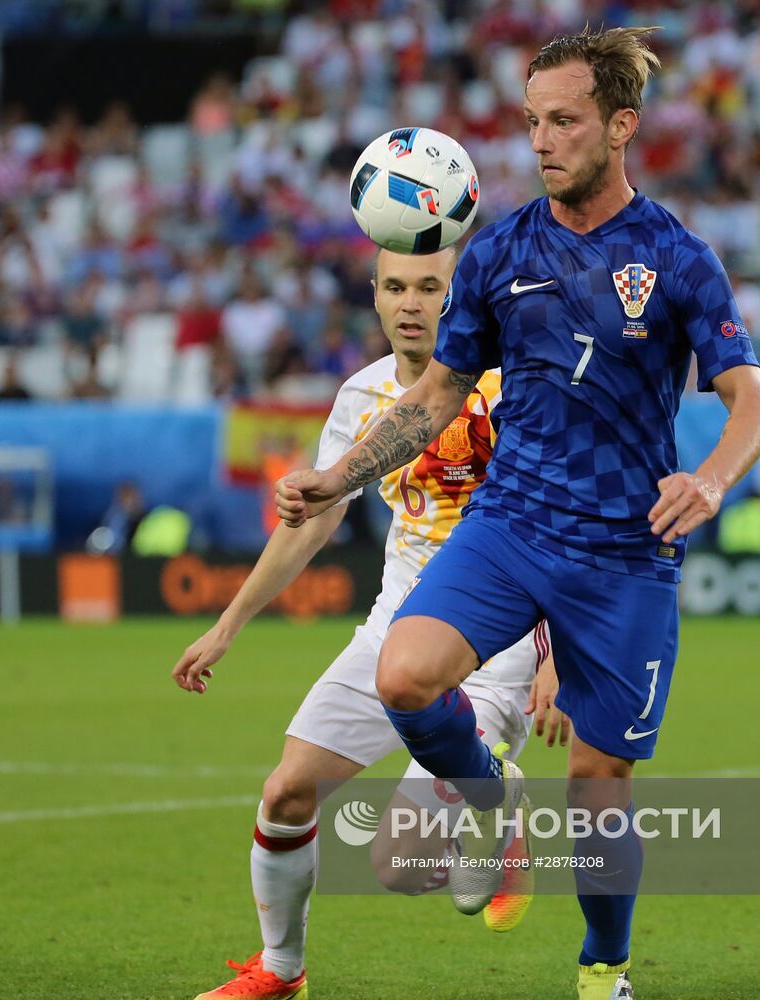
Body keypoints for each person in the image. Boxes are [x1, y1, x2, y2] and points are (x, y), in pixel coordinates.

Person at [275, 27, 760, 1000]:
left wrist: (710, 478)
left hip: (622, 554)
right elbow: (430, 400)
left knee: (596, 788)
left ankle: (602, 967)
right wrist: (338, 476)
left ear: (619, 125)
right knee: (405, 676)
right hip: (507, 527)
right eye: (530, 121)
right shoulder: (500, 248)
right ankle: (487, 795)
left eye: (563, 120)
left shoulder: (674, 257)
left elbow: (752, 398)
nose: (540, 140)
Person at [174, 246, 567, 1000]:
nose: (411, 302)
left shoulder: (505, 384)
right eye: (395, 287)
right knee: (286, 792)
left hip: (498, 637)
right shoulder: (362, 395)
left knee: (402, 865)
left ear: (459, 297)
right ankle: (281, 971)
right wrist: (227, 625)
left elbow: (555, 522)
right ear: (375, 297)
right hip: (398, 622)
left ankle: (498, 795)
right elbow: (309, 522)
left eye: (429, 286)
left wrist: (559, 653)